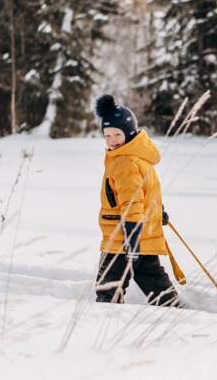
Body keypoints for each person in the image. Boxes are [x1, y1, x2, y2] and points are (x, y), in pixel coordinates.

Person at [94, 94, 185, 306]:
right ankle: (172, 308)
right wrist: (156, 212)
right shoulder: (139, 157)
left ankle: (104, 316)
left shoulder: (124, 161)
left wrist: (131, 236)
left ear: (130, 132)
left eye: (117, 134)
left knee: (108, 287)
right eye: (107, 135)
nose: (112, 140)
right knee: (152, 279)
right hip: (142, 235)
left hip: (123, 239)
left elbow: (132, 202)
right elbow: (147, 192)